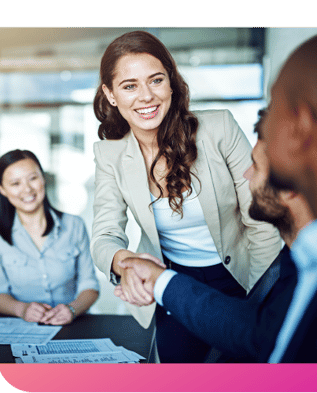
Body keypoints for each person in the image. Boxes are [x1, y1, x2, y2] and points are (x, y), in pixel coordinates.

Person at [116, 30, 317, 363]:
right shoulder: (316, 257)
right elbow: (265, 333)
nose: (246, 173)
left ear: (298, 129)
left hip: (233, 277)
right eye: (129, 85)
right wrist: (150, 274)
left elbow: (261, 333)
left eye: (272, 115)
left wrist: (250, 294)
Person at [91, 30, 282, 362]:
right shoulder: (110, 155)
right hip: (170, 281)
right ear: (110, 94)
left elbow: (261, 221)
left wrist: (259, 302)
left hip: (242, 277)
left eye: (156, 80)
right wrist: (125, 263)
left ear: (171, 83)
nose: (146, 97)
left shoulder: (219, 129)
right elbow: (105, 234)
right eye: (129, 86)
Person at [115, 108, 314, 361]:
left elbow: (255, 333)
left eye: (257, 166)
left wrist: (161, 280)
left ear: (291, 184)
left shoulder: (316, 277)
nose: (246, 174)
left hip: (230, 275)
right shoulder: (297, 259)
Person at [0, 150, 99, 325]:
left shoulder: (74, 226)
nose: (27, 189)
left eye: (33, 178)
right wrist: (22, 310)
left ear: (43, 178)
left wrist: (72, 310)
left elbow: (89, 286)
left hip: (72, 326)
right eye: (15, 183)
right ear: (2, 190)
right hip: (20, 328)